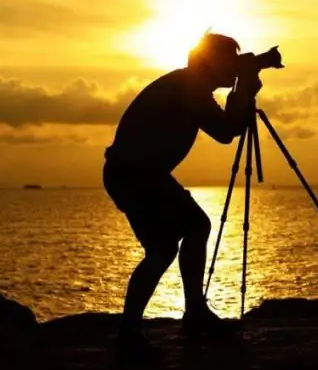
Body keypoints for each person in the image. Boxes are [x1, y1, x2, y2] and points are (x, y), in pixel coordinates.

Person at [102, 33, 282, 362]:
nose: (234, 69)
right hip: (136, 174)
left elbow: (227, 128)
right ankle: (152, 326)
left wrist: (246, 78)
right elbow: (227, 131)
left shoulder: (187, 83)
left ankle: (165, 320)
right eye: (231, 61)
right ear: (214, 63)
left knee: (176, 239)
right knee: (175, 240)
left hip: (136, 173)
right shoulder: (190, 88)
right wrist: (244, 87)